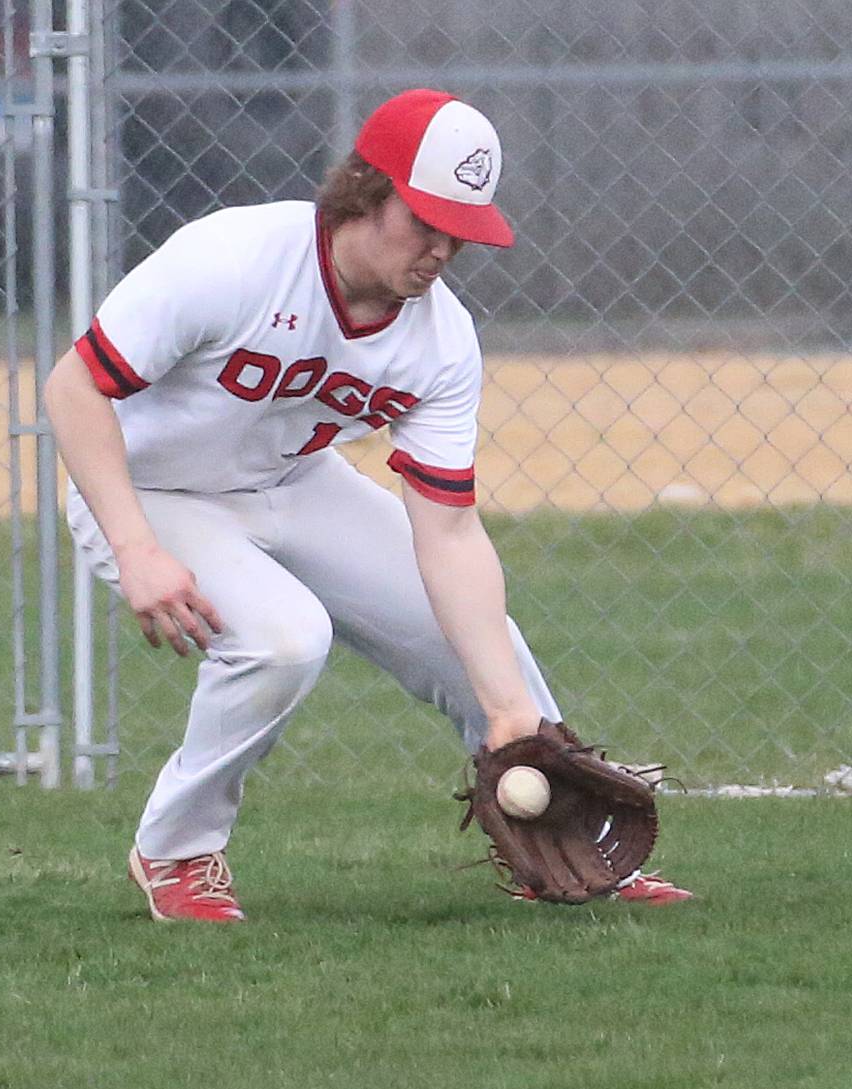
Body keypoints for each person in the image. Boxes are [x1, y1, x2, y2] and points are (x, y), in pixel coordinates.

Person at [44, 88, 692, 923]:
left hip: (295, 481)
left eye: (460, 229)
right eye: (424, 220)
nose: (442, 248)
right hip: (148, 491)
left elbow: (450, 533)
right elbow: (73, 388)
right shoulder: (236, 258)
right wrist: (134, 547)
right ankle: (176, 851)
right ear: (364, 191)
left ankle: (563, 828)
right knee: (284, 639)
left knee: (475, 634)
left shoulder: (441, 338)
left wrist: (506, 712)